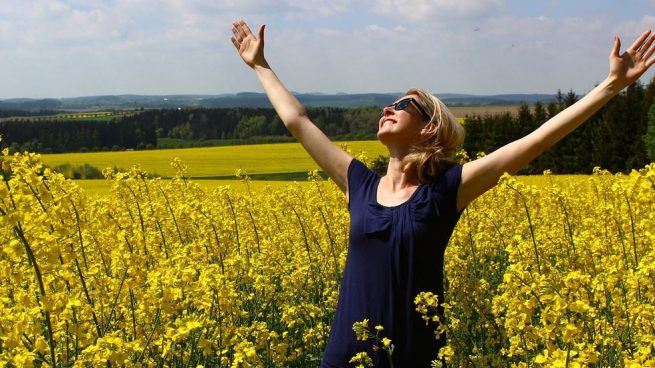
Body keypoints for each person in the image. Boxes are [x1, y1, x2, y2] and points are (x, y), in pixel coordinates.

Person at [230, 19, 655, 367]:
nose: (388, 109)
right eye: (388, 104)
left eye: (403, 106)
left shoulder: (445, 190)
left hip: (416, 360)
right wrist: (260, 65)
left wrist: (611, 87)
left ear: (429, 127)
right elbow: (299, 121)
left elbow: (536, 141)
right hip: (344, 359)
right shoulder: (358, 184)